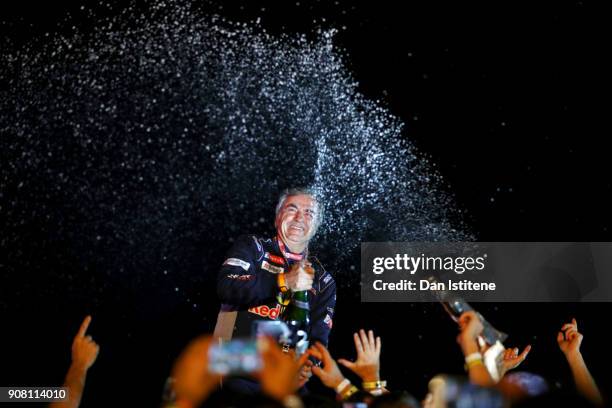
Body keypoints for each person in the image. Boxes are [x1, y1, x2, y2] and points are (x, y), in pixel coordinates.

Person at [214, 187, 336, 392]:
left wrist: (309, 364)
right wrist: (283, 281)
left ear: (317, 226)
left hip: (285, 374)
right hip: (235, 363)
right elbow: (226, 286)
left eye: (309, 213)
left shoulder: (323, 279)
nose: (299, 218)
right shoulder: (254, 248)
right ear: (277, 217)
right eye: (292, 209)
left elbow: (318, 340)